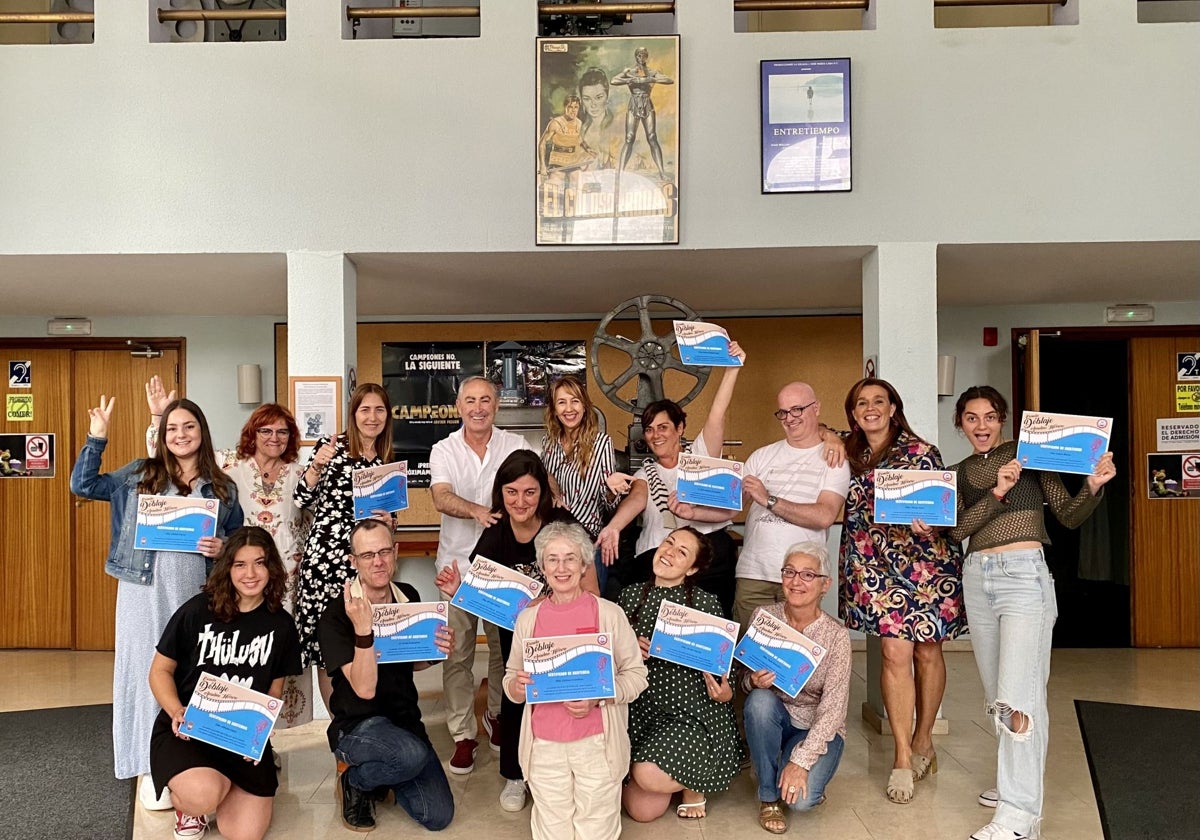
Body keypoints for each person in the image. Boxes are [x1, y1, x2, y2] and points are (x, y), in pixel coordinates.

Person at [942, 386, 1115, 840]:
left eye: (990, 416)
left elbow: (1068, 515)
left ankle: (1019, 818)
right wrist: (998, 491)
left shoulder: (1031, 455)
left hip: (1023, 577)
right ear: (960, 423)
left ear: (1003, 419)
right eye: (971, 418)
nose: (981, 426)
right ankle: (1015, 782)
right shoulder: (958, 472)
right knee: (1000, 695)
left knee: (1020, 697)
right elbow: (957, 530)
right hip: (978, 577)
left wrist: (1093, 487)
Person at [70, 395, 243, 814]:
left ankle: (188, 757)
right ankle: (149, 764)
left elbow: (237, 543)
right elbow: (83, 485)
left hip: (192, 591)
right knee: (141, 669)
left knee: (189, 670)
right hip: (140, 590)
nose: (180, 435)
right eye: (172, 429)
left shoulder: (222, 486)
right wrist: (97, 437)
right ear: (162, 436)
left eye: (188, 427)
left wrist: (223, 547)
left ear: (202, 432)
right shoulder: (141, 473)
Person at [146, 375, 312, 727]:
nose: (274, 438)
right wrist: (159, 421)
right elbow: (171, 457)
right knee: (240, 654)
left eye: (282, 432)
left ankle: (266, 736)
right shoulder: (228, 466)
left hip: (287, 580)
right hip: (240, 577)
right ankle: (229, 728)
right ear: (252, 434)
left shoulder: (302, 474)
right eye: (266, 431)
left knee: (276, 655)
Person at [435, 449, 595, 812]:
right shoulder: (496, 532)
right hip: (519, 632)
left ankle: (565, 772)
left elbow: (592, 591)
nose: (520, 501)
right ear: (500, 494)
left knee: (564, 700)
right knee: (517, 695)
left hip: (565, 629)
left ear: (543, 493)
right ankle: (515, 775)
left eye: (529, 492)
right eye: (511, 492)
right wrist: (458, 590)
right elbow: (481, 594)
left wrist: (549, 602)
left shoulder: (562, 524)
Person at [837, 377, 965, 804]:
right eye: (861, 403)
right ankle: (903, 756)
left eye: (879, 401)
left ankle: (924, 737)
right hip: (873, 569)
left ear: (893, 407)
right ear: (853, 413)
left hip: (925, 564)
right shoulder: (848, 452)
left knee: (927, 652)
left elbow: (944, 509)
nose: (870, 408)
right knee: (894, 653)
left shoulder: (921, 451)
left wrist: (931, 520)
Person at [148, 526, 303, 840]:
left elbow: (274, 691)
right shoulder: (197, 610)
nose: (250, 573)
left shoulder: (282, 625)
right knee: (203, 795)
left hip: (239, 737)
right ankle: (190, 803)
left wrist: (260, 734)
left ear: (271, 567)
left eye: (259, 563)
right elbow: (159, 672)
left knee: (243, 834)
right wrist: (177, 711)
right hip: (188, 732)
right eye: (240, 564)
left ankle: (224, 783)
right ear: (227, 568)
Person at [503, 521, 648, 840]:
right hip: (543, 746)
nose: (561, 567)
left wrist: (601, 697)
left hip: (597, 743)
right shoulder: (528, 619)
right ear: (542, 566)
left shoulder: (609, 614)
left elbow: (637, 677)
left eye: (570, 558)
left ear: (585, 564)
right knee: (552, 826)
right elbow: (511, 679)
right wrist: (516, 687)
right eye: (552, 559)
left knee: (596, 825)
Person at [318, 518, 456, 833]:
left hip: (404, 719)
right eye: (368, 555)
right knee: (409, 754)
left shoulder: (407, 594)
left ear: (395, 552)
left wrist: (437, 653)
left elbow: (412, 663)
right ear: (353, 561)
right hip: (357, 725)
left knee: (437, 816)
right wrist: (364, 631)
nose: (378, 562)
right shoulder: (336, 614)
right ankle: (355, 779)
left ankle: (384, 772)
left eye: (384, 552)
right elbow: (364, 689)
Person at [596, 341, 745, 618]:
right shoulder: (646, 473)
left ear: (680, 428)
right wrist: (615, 526)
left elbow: (716, 416)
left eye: (663, 427)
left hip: (706, 561)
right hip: (656, 560)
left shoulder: (701, 458)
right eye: (649, 430)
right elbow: (637, 497)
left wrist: (731, 370)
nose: (655, 435)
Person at [430, 375, 531, 773]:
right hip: (455, 566)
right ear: (458, 406)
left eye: (485, 400)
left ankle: (496, 715)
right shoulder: (444, 449)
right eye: (470, 400)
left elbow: (534, 485)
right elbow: (440, 496)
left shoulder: (516, 445)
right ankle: (462, 734)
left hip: (503, 570)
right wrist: (477, 511)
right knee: (457, 653)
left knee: (504, 652)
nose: (478, 407)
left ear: (496, 405)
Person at [618, 527, 741, 822]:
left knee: (647, 775)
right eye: (668, 543)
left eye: (682, 552)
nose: (669, 552)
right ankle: (671, 772)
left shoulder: (706, 603)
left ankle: (693, 785)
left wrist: (727, 691)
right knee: (642, 812)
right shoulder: (628, 596)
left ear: (693, 568)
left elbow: (726, 665)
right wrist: (627, 647)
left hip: (689, 713)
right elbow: (608, 654)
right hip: (639, 712)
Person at [293, 382, 395, 710]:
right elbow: (300, 498)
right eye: (365, 409)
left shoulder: (386, 459)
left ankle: (365, 719)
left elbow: (391, 521)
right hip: (326, 563)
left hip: (364, 563)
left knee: (362, 640)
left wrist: (391, 522)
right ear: (353, 414)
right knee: (330, 651)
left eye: (379, 409)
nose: (372, 416)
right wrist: (316, 466)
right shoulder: (331, 447)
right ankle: (341, 728)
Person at [742, 542, 851, 835]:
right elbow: (743, 677)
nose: (796, 581)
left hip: (816, 727)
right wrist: (752, 681)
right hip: (775, 716)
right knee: (759, 701)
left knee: (803, 803)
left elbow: (834, 710)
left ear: (824, 584)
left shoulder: (837, 636)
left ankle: (784, 766)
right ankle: (768, 796)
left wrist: (801, 763)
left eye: (807, 575)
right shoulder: (764, 617)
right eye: (789, 572)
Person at [735, 380, 850, 632]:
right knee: (747, 660)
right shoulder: (761, 456)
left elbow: (824, 516)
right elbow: (731, 509)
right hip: (754, 574)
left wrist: (769, 500)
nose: (790, 418)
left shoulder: (834, 458)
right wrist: (692, 506)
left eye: (797, 409)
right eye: (783, 412)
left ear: (816, 408)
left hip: (803, 577)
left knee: (791, 661)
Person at [540, 374, 628, 597]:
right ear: (554, 410)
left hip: (589, 543)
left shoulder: (601, 444)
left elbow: (608, 507)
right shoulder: (548, 443)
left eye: (575, 401)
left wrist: (611, 490)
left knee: (590, 605)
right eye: (562, 402)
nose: (569, 409)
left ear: (584, 406)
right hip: (555, 541)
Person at [611, 46, 675, 180]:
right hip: (634, 104)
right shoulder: (629, 71)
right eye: (639, 55)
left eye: (644, 55)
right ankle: (620, 173)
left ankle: (662, 172)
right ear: (636, 56)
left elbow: (669, 80)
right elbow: (614, 80)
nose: (641, 57)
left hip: (647, 103)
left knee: (652, 137)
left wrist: (649, 79)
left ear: (646, 56)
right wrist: (629, 80)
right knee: (629, 137)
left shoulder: (652, 72)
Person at [537, 94, 593, 177]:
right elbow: (542, 143)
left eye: (576, 107)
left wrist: (588, 148)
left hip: (574, 162)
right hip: (557, 163)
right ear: (565, 107)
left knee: (576, 186)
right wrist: (542, 166)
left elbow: (579, 139)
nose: (573, 110)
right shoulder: (555, 123)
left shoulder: (579, 123)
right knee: (555, 184)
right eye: (570, 107)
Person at [578, 67, 620, 170]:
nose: (593, 105)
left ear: (607, 97)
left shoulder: (616, 127)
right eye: (587, 99)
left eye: (599, 97)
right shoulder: (580, 128)